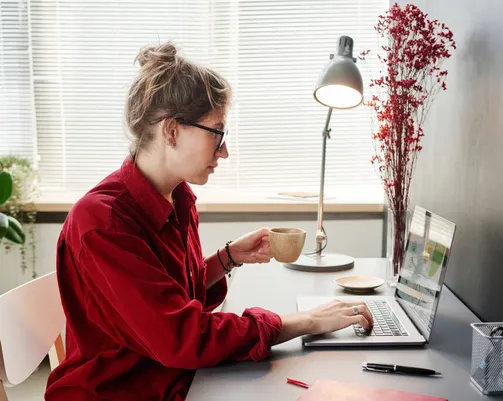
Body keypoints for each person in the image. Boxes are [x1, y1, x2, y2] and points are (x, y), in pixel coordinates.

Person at [45, 41, 373, 401]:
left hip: (173, 379)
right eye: (217, 132)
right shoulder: (102, 223)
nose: (225, 151)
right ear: (171, 131)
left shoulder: (178, 197)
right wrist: (301, 322)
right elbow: (182, 336)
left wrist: (227, 258)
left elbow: (170, 297)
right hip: (120, 392)